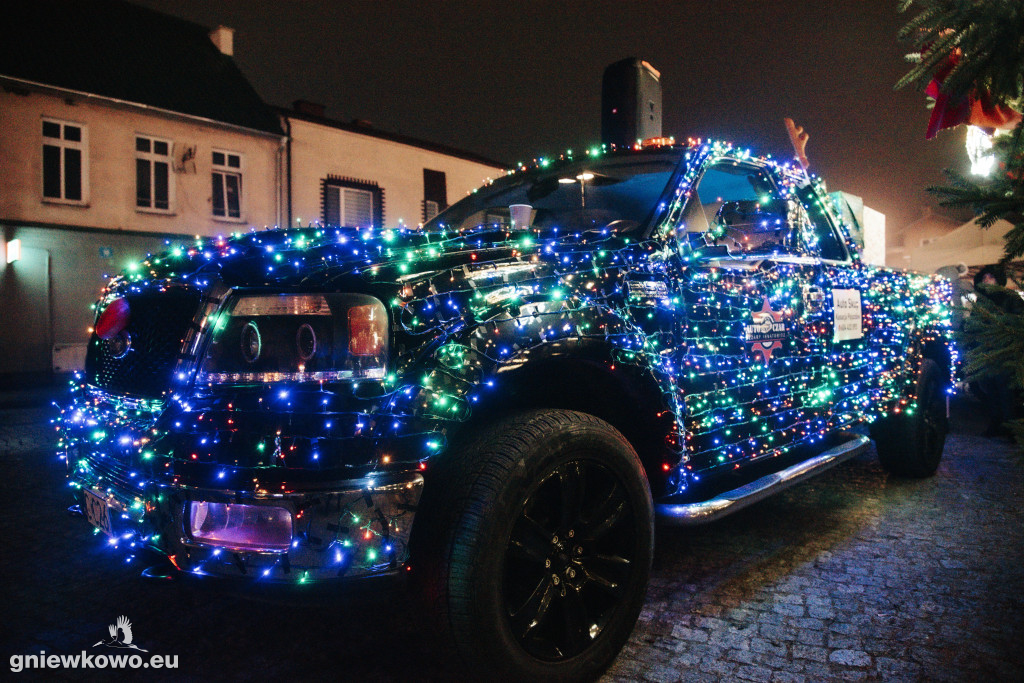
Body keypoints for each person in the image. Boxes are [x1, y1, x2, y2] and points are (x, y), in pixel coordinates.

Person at [969, 264, 1023, 438]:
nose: (987, 280)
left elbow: (1017, 321)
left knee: (1005, 392)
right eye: (984, 278)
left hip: (1004, 352)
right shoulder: (982, 301)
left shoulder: (1010, 297)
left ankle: (1010, 428)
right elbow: (973, 323)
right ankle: (996, 423)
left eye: (990, 277)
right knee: (990, 390)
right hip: (985, 352)